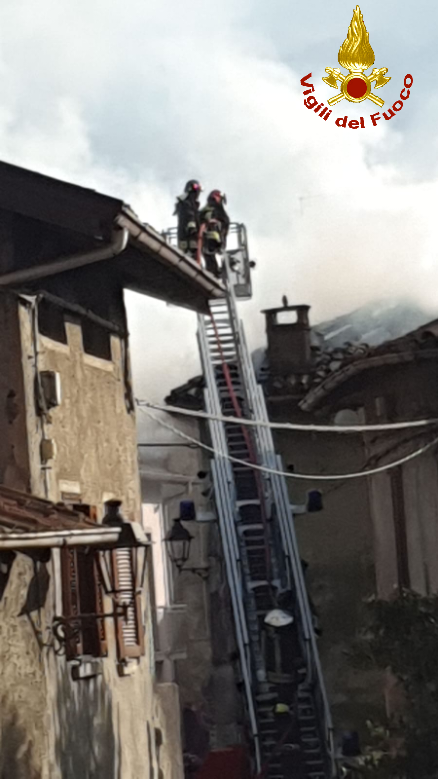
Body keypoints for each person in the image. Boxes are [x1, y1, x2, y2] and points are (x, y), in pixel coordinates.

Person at [200, 190, 230, 277]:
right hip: (209, 241)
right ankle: (213, 272)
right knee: (210, 259)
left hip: (214, 241)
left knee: (210, 259)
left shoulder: (208, 210)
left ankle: (214, 271)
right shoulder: (211, 210)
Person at [174, 180, 202, 260]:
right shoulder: (187, 204)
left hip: (189, 239)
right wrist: (192, 228)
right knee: (191, 260)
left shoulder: (190, 204)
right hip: (188, 241)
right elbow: (190, 216)